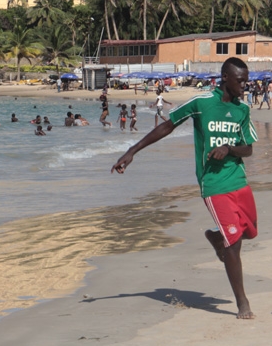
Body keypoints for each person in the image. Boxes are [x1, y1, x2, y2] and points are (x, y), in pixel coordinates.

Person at [111, 57, 259, 320]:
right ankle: (242, 303)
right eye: (240, 80)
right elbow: (168, 126)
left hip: (239, 181)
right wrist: (132, 151)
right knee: (234, 243)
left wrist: (229, 149)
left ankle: (216, 238)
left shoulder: (242, 110)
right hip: (213, 184)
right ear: (225, 78)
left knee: (249, 233)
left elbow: (247, 148)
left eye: (246, 80)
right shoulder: (201, 103)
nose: (245, 85)